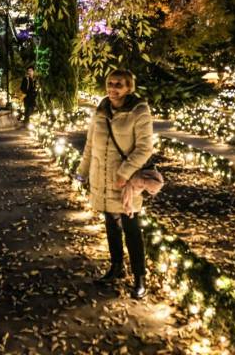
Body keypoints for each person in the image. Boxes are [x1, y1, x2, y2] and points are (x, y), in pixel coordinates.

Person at [76, 69, 154, 299]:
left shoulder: (139, 111)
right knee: (110, 223)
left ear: (129, 87)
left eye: (118, 84)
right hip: (101, 177)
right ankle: (116, 266)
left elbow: (144, 147)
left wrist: (125, 172)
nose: (113, 88)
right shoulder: (100, 110)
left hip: (125, 182)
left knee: (131, 228)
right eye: (110, 83)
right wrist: (82, 172)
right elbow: (90, 145)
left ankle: (140, 277)